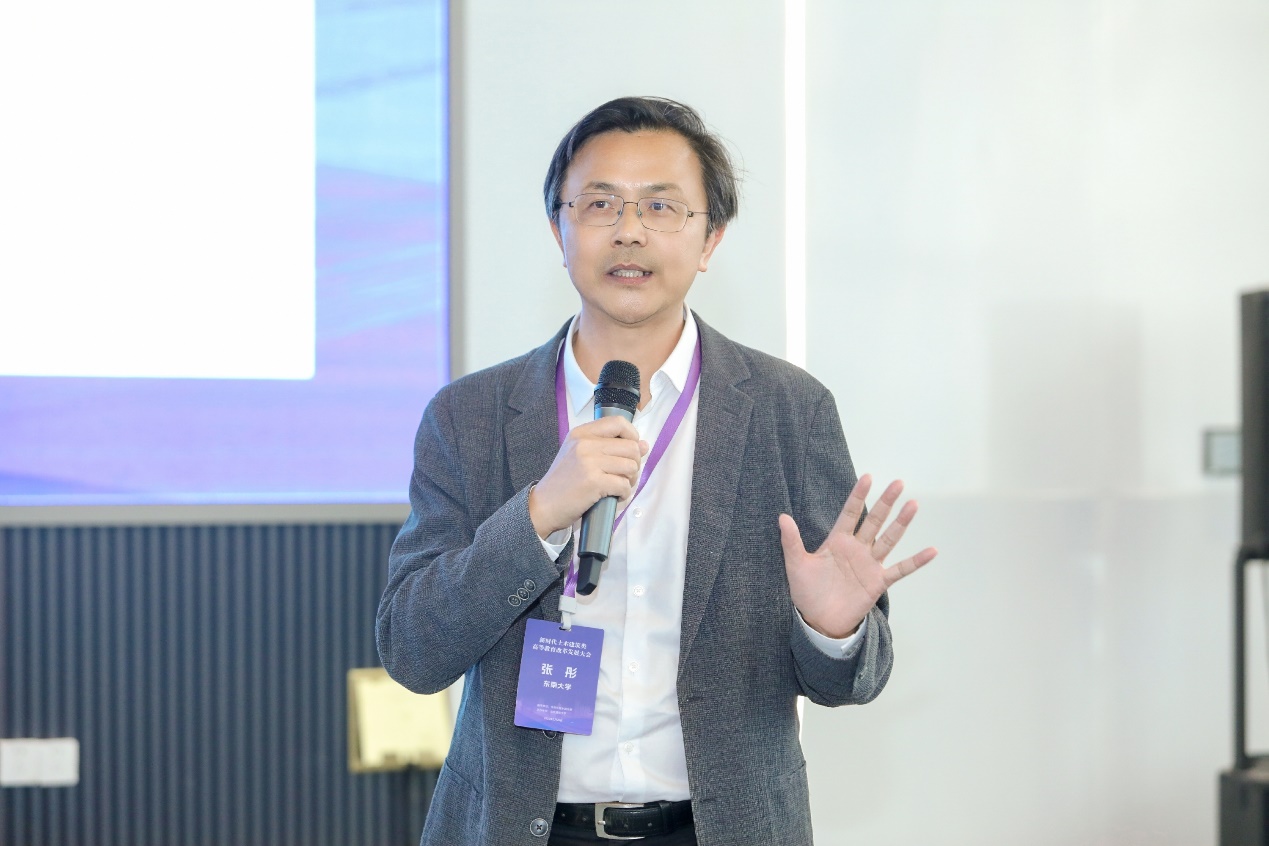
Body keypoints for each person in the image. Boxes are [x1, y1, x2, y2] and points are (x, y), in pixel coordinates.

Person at [376, 96, 937, 846]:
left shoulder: (788, 411)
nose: (629, 230)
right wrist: (538, 515)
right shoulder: (469, 416)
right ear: (558, 230)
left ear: (711, 238)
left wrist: (830, 630)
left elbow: (852, 680)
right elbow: (413, 651)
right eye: (600, 203)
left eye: (662, 206)